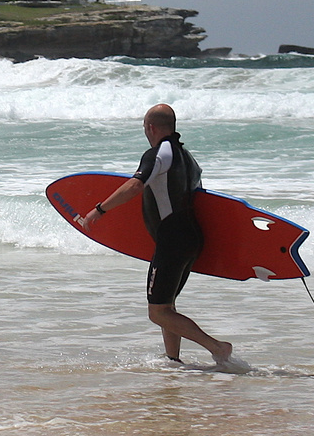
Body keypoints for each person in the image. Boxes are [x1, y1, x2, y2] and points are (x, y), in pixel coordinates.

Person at [77, 103, 241, 368]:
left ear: (150, 127)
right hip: (190, 238)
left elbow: (135, 185)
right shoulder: (188, 158)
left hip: (172, 240)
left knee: (158, 312)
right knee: (168, 306)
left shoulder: (157, 154)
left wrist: (99, 210)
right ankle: (173, 360)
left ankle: (217, 347)